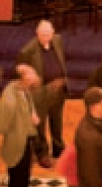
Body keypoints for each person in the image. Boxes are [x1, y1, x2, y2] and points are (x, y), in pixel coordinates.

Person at [0, 63, 41, 187]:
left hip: (25, 141)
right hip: (16, 145)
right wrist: (25, 122)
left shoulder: (23, 90)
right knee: (16, 186)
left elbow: (29, 104)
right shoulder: (10, 98)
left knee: (23, 183)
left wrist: (32, 115)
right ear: (22, 79)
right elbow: (3, 126)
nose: (33, 79)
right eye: (30, 76)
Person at [17, 20, 68, 166]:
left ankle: (58, 148)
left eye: (48, 34)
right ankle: (42, 152)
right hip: (40, 93)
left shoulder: (57, 41)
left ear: (53, 33)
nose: (46, 37)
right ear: (37, 34)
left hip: (58, 89)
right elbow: (22, 73)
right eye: (43, 35)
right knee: (40, 124)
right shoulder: (28, 51)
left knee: (57, 121)